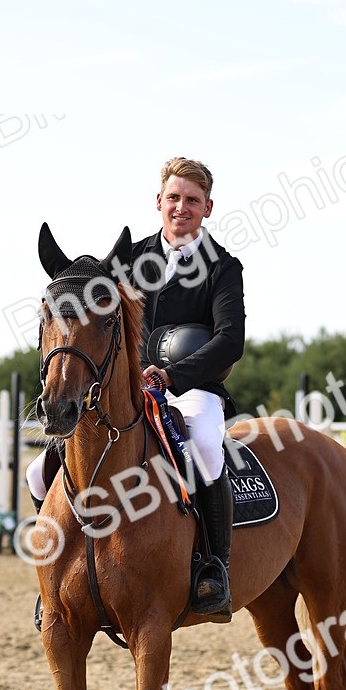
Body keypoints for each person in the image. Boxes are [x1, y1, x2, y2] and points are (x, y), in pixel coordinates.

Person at [26, 156, 245, 618]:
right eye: (173, 198)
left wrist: (173, 375)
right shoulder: (129, 261)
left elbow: (230, 340)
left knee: (205, 445)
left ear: (207, 207)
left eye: (192, 200)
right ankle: (57, 573)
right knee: (35, 473)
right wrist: (131, 374)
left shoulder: (224, 267)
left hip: (192, 388)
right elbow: (104, 328)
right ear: (158, 202)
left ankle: (213, 569)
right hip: (127, 386)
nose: (181, 207)